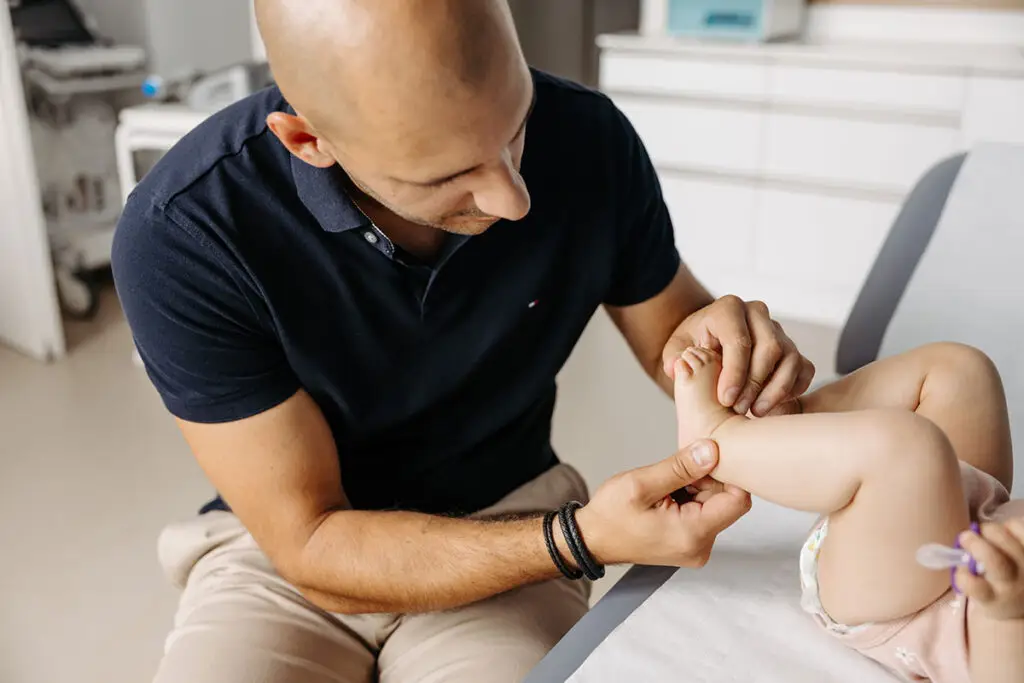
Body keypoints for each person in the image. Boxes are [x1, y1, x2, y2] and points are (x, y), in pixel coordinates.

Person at [111, 0, 815, 680]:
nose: (514, 201)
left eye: (515, 129)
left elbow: (674, 333)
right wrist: (579, 538)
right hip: (289, 555)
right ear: (309, 140)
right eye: (449, 176)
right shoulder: (185, 234)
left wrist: (726, 349)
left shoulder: (589, 137)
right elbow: (311, 539)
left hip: (511, 518)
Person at [670, 342, 1023, 683]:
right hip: (982, 511)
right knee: (960, 372)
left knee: (909, 450)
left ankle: (717, 441)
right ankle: (791, 419)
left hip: (918, 599)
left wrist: (1009, 615)